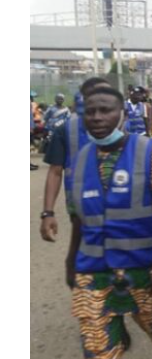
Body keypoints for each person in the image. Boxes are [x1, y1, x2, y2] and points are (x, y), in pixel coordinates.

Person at [64, 87, 152, 359]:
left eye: (105, 110)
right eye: (90, 111)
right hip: (93, 271)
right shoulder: (77, 163)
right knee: (96, 353)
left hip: (143, 269)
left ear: (122, 114)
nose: (96, 117)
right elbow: (78, 217)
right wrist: (70, 260)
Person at [40, 77, 111, 243]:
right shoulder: (65, 130)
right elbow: (55, 172)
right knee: (81, 249)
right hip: (80, 207)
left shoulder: (123, 127)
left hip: (120, 203)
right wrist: (47, 212)